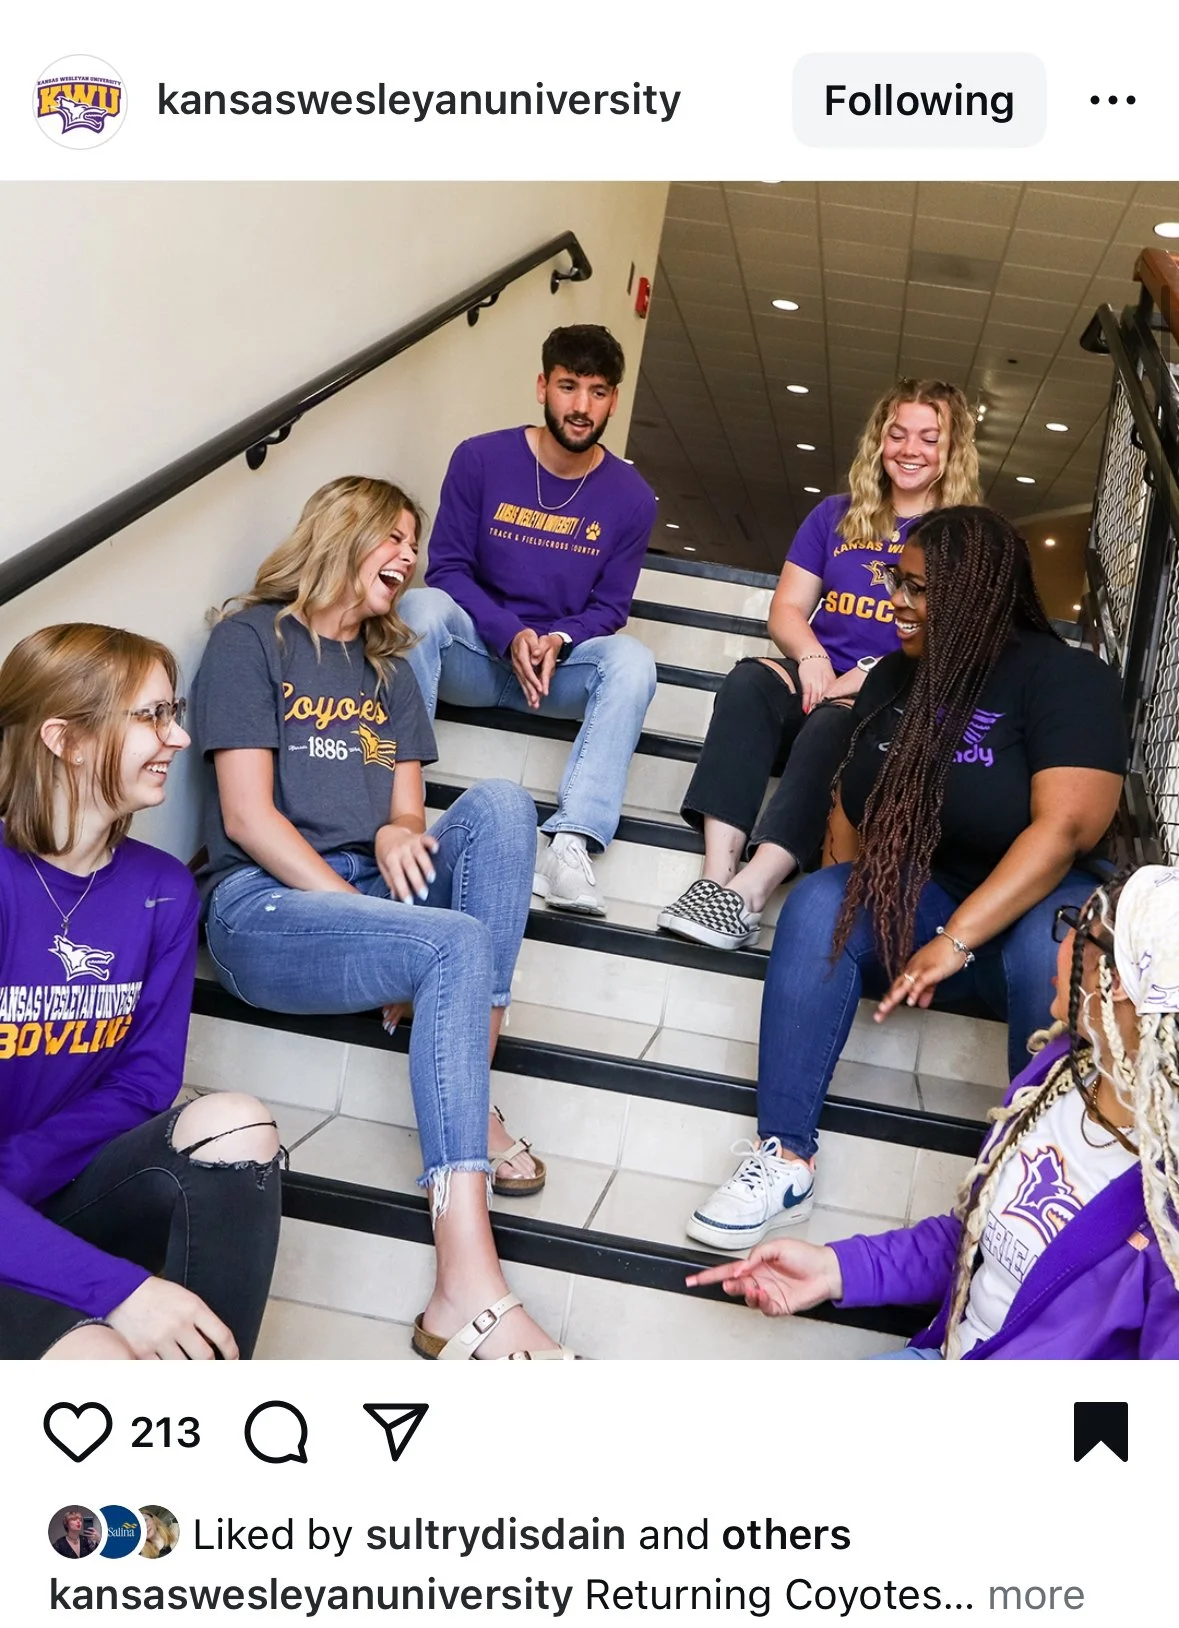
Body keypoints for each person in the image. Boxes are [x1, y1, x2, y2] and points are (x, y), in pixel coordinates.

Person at [194, 475, 573, 1359]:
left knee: (505, 806)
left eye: (415, 540)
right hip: (267, 906)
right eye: (393, 537)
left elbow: (406, 812)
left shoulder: (389, 664)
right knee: (451, 943)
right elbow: (247, 818)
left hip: (372, 892)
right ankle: (464, 1283)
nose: (409, 555)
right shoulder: (251, 641)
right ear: (342, 533)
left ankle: (466, 1091)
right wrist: (381, 926)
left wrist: (404, 837)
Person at [686, 506, 1127, 1251]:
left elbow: (1063, 831)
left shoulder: (1064, 677)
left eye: (919, 588)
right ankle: (785, 1154)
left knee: (1040, 946)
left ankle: (1035, 1176)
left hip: (1032, 906)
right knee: (822, 905)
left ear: (974, 595)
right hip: (930, 904)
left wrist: (956, 939)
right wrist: (847, 927)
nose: (897, 599)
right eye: (897, 580)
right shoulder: (896, 675)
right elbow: (855, 804)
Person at [688, 865, 1179, 1358]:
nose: (1060, 942)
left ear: (1116, 980)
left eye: (1078, 927)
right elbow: (970, 1244)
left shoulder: (1167, 1205)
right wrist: (834, 1268)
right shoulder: (1054, 1078)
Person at [0, 625, 282, 1362]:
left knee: (237, 1124)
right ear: (68, 739)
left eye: (173, 711)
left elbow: (147, 1080)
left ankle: (210, 1404)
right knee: (103, 1364)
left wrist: (24, 1166)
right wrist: (122, 1291)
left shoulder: (161, 888)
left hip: (51, 1183)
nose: (180, 738)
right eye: (152, 716)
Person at [660, 379, 980, 950]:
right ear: (879, 440)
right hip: (818, 681)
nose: (911, 449)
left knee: (839, 723)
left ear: (952, 449)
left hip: (889, 702)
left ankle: (752, 890)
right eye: (898, 433)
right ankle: (714, 880)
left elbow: (957, 637)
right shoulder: (836, 515)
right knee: (748, 682)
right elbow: (786, 608)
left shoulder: (961, 538)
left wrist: (877, 670)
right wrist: (809, 655)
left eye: (929, 438)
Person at [399, 324, 658, 917]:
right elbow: (448, 569)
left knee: (633, 661)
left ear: (614, 399)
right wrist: (507, 630)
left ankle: (570, 847)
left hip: (557, 674)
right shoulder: (481, 458)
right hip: (477, 656)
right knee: (418, 609)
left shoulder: (632, 497)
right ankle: (396, 797)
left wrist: (558, 639)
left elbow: (610, 608)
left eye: (597, 392)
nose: (581, 406)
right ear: (543, 385)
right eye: (568, 387)